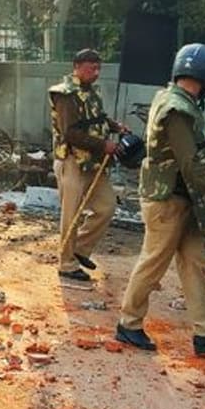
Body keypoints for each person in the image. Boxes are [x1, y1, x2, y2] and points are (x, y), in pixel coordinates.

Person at [115, 43, 205, 355]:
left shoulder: (168, 98)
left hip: (181, 198)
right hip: (167, 200)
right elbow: (191, 162)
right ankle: (128, 324)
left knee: (193, 263)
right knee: (153, 262)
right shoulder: (178, 109)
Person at [49, 48, 128, 281]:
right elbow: (70, 133)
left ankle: (79, 250)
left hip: (93, 162)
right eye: (92, 67)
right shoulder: (65, 94)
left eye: (98, 68)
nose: (96, 72)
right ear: (77, 66)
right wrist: (104, 145)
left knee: (106, 206)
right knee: (71, 215)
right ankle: (66, 264)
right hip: (72, 161)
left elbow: (97, 117)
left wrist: (115, 127)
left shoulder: (90, 92)